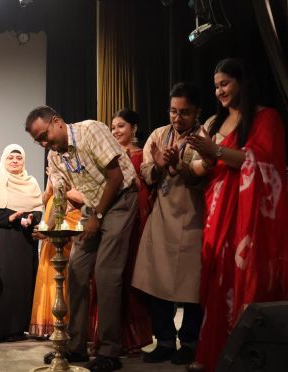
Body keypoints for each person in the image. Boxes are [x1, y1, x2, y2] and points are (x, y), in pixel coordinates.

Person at [186, 58, 288, 372]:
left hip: (250, 221)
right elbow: (197, 169)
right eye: (216, 86)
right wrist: (204, 156)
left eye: (225, 84)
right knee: (218, 281)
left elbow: (265, 164)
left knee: (246, 281)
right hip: (219, 214)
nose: (219, 91)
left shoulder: (265, 117)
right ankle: (214, 353)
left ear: (242, 82)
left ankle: (250, 359)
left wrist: (214, 151)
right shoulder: (215, 124)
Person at [26, 106, 138, 372]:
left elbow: (116, 176)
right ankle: (74, 347)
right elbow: (61, 197)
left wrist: (97, 216)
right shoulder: (54, 157)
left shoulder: (91, 130)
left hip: (120, 199)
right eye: (38, 141)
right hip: (93, 207)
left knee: (106, 272)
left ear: (57, 121)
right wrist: (48, 227)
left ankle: (109, 350)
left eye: (44, 135)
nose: (44, 143)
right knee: (76, 271)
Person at [131, 83, 205, 366]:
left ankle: (189, 342)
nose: (178, 118)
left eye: (184, 112)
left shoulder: (204, 136)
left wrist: (180, 166)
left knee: (191, 286)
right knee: (157, 280)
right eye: (173, 111)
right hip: (162, 215)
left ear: (197, 112)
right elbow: (146, 173)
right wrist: (160, 164)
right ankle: (163, 341)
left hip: (195, 216)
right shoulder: (159, 135)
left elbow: (205, 174)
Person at [0, 144, 43, 343]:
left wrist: (32, 218)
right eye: (10, 158)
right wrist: (10, 218)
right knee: (1, 282)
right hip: (2, 240)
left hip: (24, 242)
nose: (14, 161)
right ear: (4, 160)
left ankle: (17, 327)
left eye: (18, 158)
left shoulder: (31, 182)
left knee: (21, 282)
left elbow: (38, 209)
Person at [109, 109, 152, 355]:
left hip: (138, 220)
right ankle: (110, 337)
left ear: (134, 128)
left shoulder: (144, 153)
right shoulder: (109, 155)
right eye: (113, 127)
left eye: (121, 126)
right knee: (112, 277)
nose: (115, 131)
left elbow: (148, 184)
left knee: (133, 277)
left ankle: (134, 339)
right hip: (113, 219)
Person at [29, 175, 82, 339]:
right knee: (51, 273)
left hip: (70, 222)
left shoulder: (75, 170)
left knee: (66, 275)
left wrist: (62, 189)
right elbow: (47, 196)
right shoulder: (54, 169)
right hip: (53, 219)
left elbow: (82, 196)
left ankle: (66, 324)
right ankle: (52, 324)